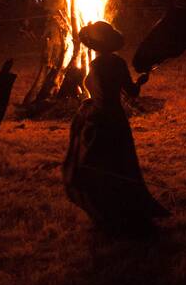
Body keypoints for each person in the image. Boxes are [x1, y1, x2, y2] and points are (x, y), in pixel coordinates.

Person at [63, 21, 168, 233]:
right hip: (116, 119)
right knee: (119, 164)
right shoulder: (118, 63)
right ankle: (120, 209)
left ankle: (108, 212)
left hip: (100, 119)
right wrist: (140, 82)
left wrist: (92, 105)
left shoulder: (96, 65)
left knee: (96, 165)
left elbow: (100, 92)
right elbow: (131, 93)